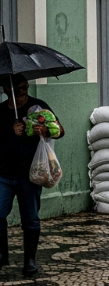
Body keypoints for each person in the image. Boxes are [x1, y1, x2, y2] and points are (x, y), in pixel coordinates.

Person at [0, 74, 65, 276]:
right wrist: (11, 130)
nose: (22, 93)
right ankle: (2, 255)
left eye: (25, 88)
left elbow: (60, 131)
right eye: (18, 89)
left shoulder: (38, 108)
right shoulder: (1, 111)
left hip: (30, 174)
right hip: (3, 175)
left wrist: (44, 129)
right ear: (6, 90)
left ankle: (30, 260)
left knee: (31, 219)